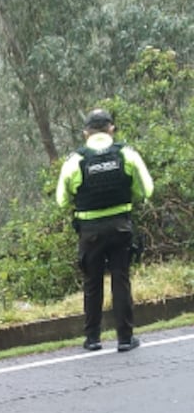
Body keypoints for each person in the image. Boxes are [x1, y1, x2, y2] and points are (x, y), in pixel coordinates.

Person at [56, 109, 154, 352]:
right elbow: (147, 189)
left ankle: (92, 339)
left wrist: (78, 205)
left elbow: (61, 199)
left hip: (89, 230)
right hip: (121, 226)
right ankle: (125, 339)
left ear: (86, 133)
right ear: (112, 129)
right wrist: (133, 196)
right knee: (120, 278)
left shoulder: (75, 160)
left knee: (92, 282)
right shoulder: (126, 154)